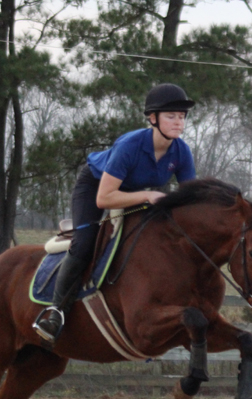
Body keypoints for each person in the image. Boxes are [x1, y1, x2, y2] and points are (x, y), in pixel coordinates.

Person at [33, 83, 196, 344]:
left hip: (136, 193)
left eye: (182, 116)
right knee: (85, 242)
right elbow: (105, 198)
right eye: (171, 116)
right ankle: (55, 313)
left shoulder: (182, 151)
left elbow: (189, 198)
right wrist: (147, 195)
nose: (179, 122)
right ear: (152, 118)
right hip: (97, 188)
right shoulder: (130, 145)